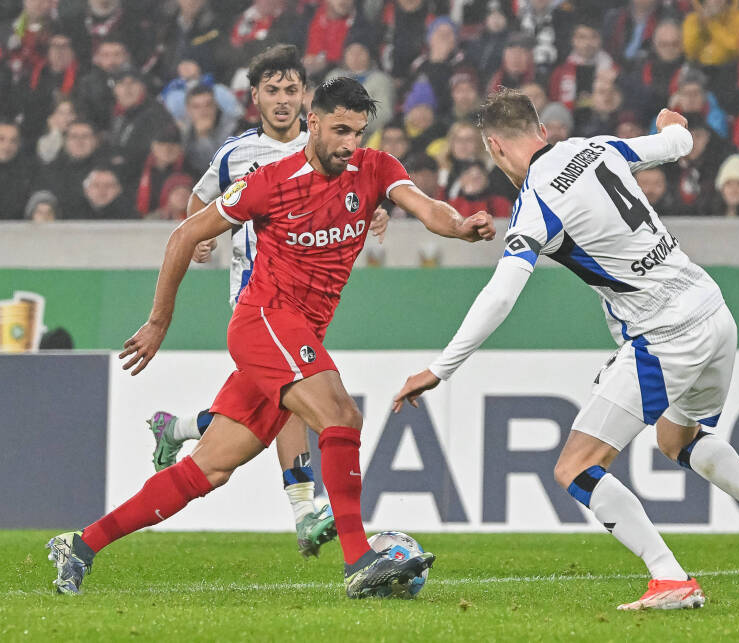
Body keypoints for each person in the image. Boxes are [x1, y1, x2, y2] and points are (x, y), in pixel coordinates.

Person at [47, 75, 498, 597]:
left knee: (210, 469)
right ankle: (359, 563)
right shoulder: (270, 182)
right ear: (313, 122)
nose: (350, 144)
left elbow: (425, 208)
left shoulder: (374, 169)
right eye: (340, 130)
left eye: (359, 132)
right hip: (263, 319)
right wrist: (158, 321)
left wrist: (460, 225)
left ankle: (80, 545)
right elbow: (185, 234)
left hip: (297, 334)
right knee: (340, 414)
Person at [392, 89, 739, 611]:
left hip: (664, 335)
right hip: (714, 311)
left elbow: (500, 295)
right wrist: (674, 124)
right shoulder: (598, 147)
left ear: (495, 148)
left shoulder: (536, 204)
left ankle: (669, 577)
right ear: (542, 131)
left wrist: (439, 368)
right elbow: (673, 143)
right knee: (677, 437)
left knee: (576, 467)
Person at [144, 45, 388, 559]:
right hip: (258, 297)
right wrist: (203, 237)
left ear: (307, 100)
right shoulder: (236, 154)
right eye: (272, 91)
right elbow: (198, 206)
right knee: (295, 395)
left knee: (272, 404)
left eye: (291, 90)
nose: (282, 101)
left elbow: (364, 193)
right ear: (255, 97)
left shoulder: (329, 145)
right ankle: (304, 513)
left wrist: (375, 213)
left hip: (311, 297)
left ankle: (181, 427)